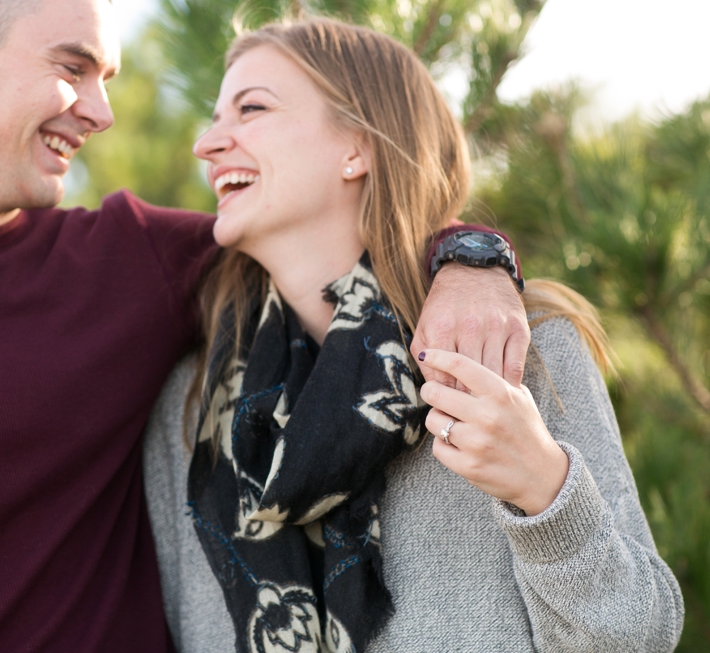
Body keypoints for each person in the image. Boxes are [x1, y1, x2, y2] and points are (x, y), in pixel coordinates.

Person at [0, 1, 526, 651]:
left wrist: (470, 258)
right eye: (73, 68)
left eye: (106, 77)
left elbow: (331, 223)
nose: (104, 112)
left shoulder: (129, 261)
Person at [141, 17, 684, 653]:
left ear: (358, 147)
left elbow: (637, 638)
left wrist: (542, 489)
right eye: (214, 117)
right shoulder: (190, 409)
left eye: (251, 108)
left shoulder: (515, 348)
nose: (208, 142)